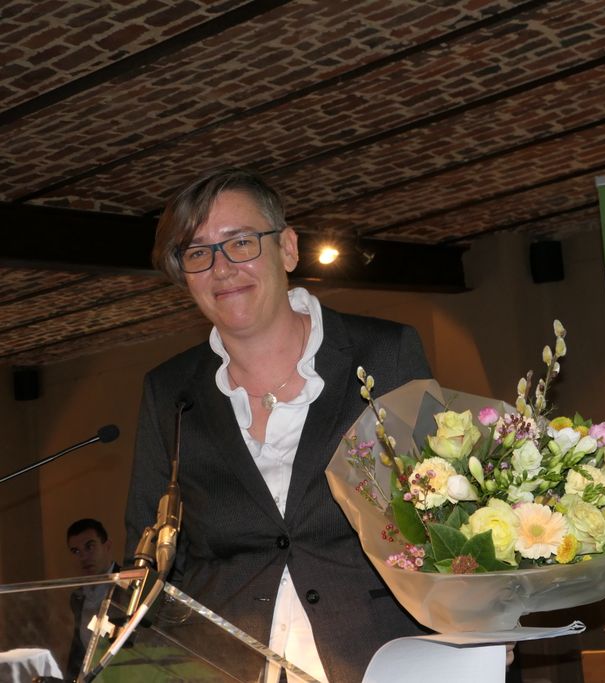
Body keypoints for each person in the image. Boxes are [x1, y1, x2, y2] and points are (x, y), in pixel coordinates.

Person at [124, 168, 432, 683]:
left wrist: (478, 621)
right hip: (224, 666)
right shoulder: (169, 391)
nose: (222, 268)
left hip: (379, 656)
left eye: (241, 242)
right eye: (198, 253)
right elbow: (148, 550)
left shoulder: (385, 354)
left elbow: (447, 512)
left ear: (287, 248)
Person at [66, 518, 117, 680]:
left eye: (90, 546)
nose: (83, 557)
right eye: (76, 551)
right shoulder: (77, 597)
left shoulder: (130, 587)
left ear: (107, 546)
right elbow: (79, 649)